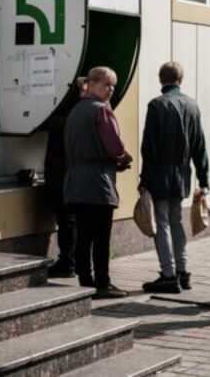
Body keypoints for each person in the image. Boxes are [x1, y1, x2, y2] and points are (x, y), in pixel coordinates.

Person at [140, 61, 210, 294]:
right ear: (181, 79)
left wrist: (145, 179)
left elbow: (149, 148)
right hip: (182, 173)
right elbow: (200, 145)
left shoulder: (157, 106)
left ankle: (168, 274)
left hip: (160, 173)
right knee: (175, 220)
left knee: (162, 221)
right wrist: (204, 178)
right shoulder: (192, 105)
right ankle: (182, 271)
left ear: (161, 79)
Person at [64, 66, 133, 299]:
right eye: (106, 84)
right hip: (98, 182)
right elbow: (114, 146)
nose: (111, 89)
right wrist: (124, 158)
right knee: (101, 238)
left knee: (83, 235)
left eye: (113, 85)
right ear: (91, 84)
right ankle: (102, 283)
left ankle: (85, 281)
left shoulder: (75, 111)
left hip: (75, 181)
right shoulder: (101, 110)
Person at [44, 113, 78, 279]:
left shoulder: (62, 118)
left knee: (67, 220)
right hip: (71, 175)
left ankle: (68, 261)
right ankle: (73, 260)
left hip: (62, 175)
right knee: (72, 220)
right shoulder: (87, 112)